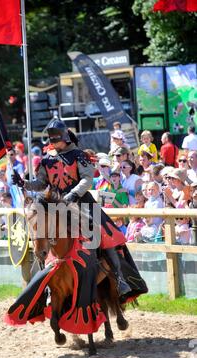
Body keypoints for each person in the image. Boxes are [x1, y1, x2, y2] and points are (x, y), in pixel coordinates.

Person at [11, 119, 138, 299]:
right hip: (55, 203)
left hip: (81, 201)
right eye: (51, 140)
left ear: (64, 138)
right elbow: (41, 183)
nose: (53, 143)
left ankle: (118, 278)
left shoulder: (78, 155)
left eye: (55, 140)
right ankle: (46, 286)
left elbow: (87, 179)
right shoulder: (47, 159)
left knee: (104, 232)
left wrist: (74, 193)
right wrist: (24, 183)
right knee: (41, 235)